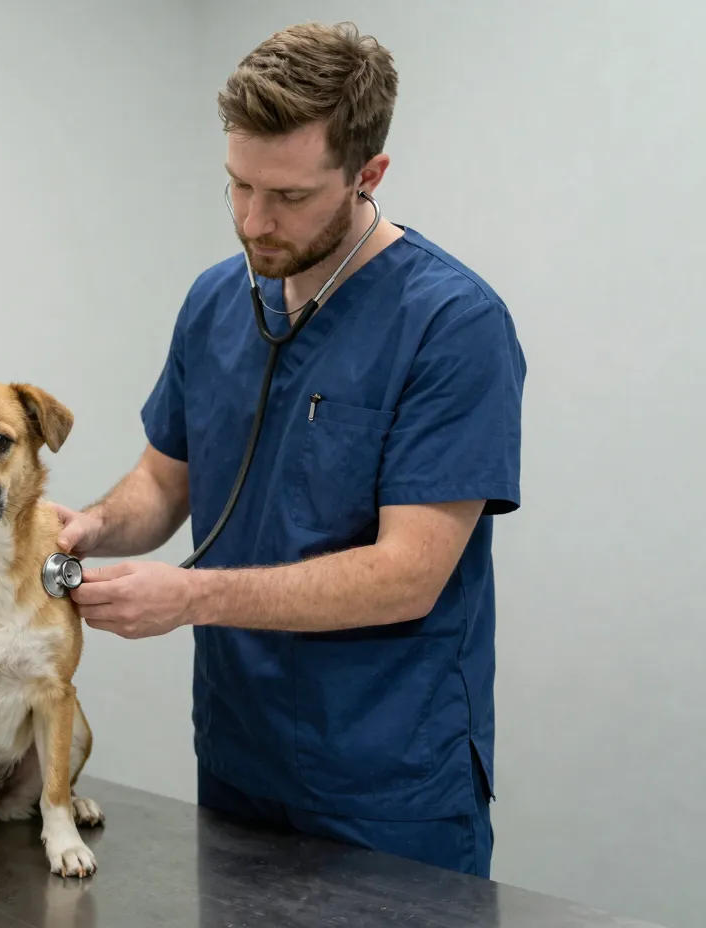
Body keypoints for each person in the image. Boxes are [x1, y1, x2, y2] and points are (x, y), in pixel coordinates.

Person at [53, 21, 525, 879]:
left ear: (367, 175)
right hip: (239, 757)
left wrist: (189, 597)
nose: (253, 221)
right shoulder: (214, 300)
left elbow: (408, 574)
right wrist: (87, 527)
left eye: (290, 197)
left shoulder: (453, 326)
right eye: (236, 186)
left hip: (385, 779)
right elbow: (165, 482)